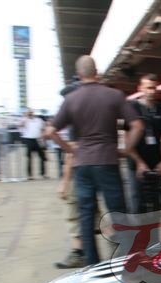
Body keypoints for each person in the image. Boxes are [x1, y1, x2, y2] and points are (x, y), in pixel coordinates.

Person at [46, 55, 143, 267]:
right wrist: (126, 150)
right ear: (96, 72)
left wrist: (69, 148)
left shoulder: (71, 99)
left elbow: (51, 131)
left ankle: (92, 265)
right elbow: (137, 125)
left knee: (86, 215)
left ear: (79, 74)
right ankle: (126, 262)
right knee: (119, 214)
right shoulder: (114, 95)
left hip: (82, 165)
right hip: (108, 161)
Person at [126, 74, 161, 212]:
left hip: (156, 165)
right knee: (138, 204)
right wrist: (139, 162)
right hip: (136, 166)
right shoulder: (132, 108)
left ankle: (154, 227)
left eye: (154, 88)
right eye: (148, 88)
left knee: (156, 204)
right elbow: (126, 139)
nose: (151, 91)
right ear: (140, 88)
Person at [20, 109, 47, 180]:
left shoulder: (38, 120)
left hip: (37, 139)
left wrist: (43, 138)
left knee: (42, 157)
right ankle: (29, 175)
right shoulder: (25, 119)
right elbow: (20, 125)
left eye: (31, 112)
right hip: (29, 139)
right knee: (29, 158)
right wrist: (26, 117)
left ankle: (43, 173)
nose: (30, 113)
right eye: (29, 112)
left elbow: (43, 129)